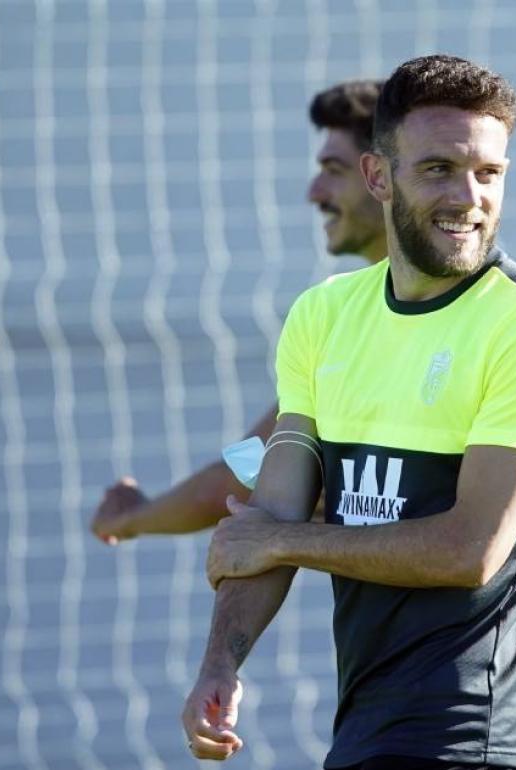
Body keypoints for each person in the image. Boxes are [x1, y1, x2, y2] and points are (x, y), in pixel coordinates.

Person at [180, 55, 516, 770]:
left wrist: (287, 543)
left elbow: (472, 550)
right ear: (380, 178)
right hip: (363, 733)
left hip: (467, 740)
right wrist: (220, 665)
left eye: (489, 173)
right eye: (438, 168)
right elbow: (270, 512)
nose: (468, 196)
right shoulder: (324, 315)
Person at [89, 79, 387, 543]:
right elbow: (257, 466)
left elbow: (242, 480)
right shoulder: (346, 309)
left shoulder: (471, 313)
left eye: (333, 169)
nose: (314, 191)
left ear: (381, 176)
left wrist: (132, 516)